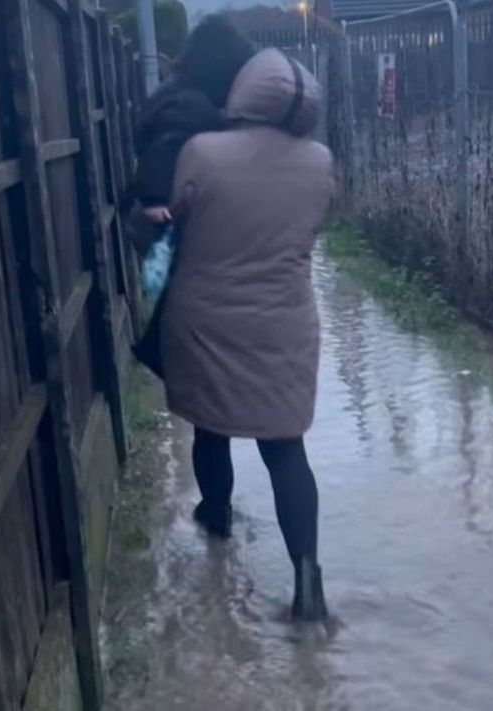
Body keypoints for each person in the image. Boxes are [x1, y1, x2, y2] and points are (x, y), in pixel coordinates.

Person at [161, 48, 336, 620]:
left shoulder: (201, 152)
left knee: (210, 430)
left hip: (206, 318)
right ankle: (308, 585)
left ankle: (216, 523)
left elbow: (177, 215)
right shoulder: (320, 162)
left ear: (243, 92)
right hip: (283, 323)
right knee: (286, 451)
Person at [127, 16, 257, 377]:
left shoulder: (178, 96)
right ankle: (159, 351)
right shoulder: (191, 107)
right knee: (191, 306)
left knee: (185, 304)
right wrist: (158, 202)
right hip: (169, 222)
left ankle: (165, 352)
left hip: (159, 223)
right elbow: (164, 156)